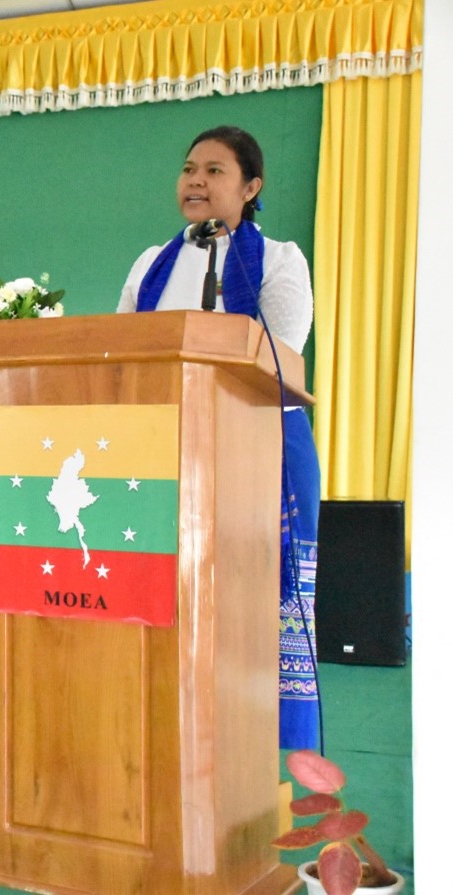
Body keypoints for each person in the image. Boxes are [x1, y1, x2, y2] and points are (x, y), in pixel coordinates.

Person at [116, 125, 322, 751]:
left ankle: (253, 748)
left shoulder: (278, 259)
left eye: (214, 171)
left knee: (256, 600)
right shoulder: (151, 262)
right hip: (163, 450)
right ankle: (170, 732)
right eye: (189, 169)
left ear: (251, 187)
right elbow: (122, 348)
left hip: (258, 448)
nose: (196, 181)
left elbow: (281, 357)